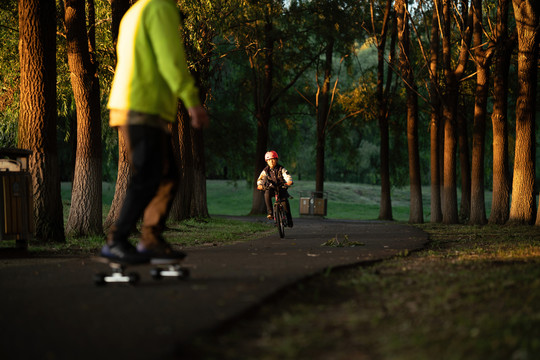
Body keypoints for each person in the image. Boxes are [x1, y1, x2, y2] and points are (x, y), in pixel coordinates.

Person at [101, 0, 209, 263]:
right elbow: (170, 59)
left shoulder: (136, 10)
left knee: (167, 175)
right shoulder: (160, 7)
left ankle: (150, 240)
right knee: (149, 174)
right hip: (141, 105)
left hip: (136, 103)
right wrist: (192, 101)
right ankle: (116, 240)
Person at [256, 151, 294, 227]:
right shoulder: (265, 171)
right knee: (266, 193)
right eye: (269, 160)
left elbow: (287, 175)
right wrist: (260, 185)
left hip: (281, 188)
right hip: (271, 188)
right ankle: (270, 212)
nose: (271, 161)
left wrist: (289, 181)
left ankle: (289, 220)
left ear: (276, 160)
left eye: (273, 159)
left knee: (285, 203)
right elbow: (260, 179)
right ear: (267, 162)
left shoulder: (281, 169)